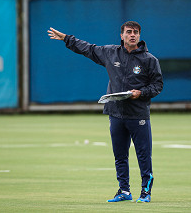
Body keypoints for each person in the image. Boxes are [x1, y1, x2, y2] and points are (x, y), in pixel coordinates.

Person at [47, 21, 163, 203]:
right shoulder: (111, 53)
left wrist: (141, 93)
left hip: (138, 114)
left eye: (136, 32)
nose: (132, 35)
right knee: (120, 155)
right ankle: (124, 191)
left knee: (143, 155)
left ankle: (145, 192)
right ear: (122, 35)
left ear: (139, 36)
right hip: (116, 113)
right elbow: (88, 49)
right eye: (129, 32)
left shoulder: (149, 60)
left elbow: (157, 85)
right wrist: (66, 39)